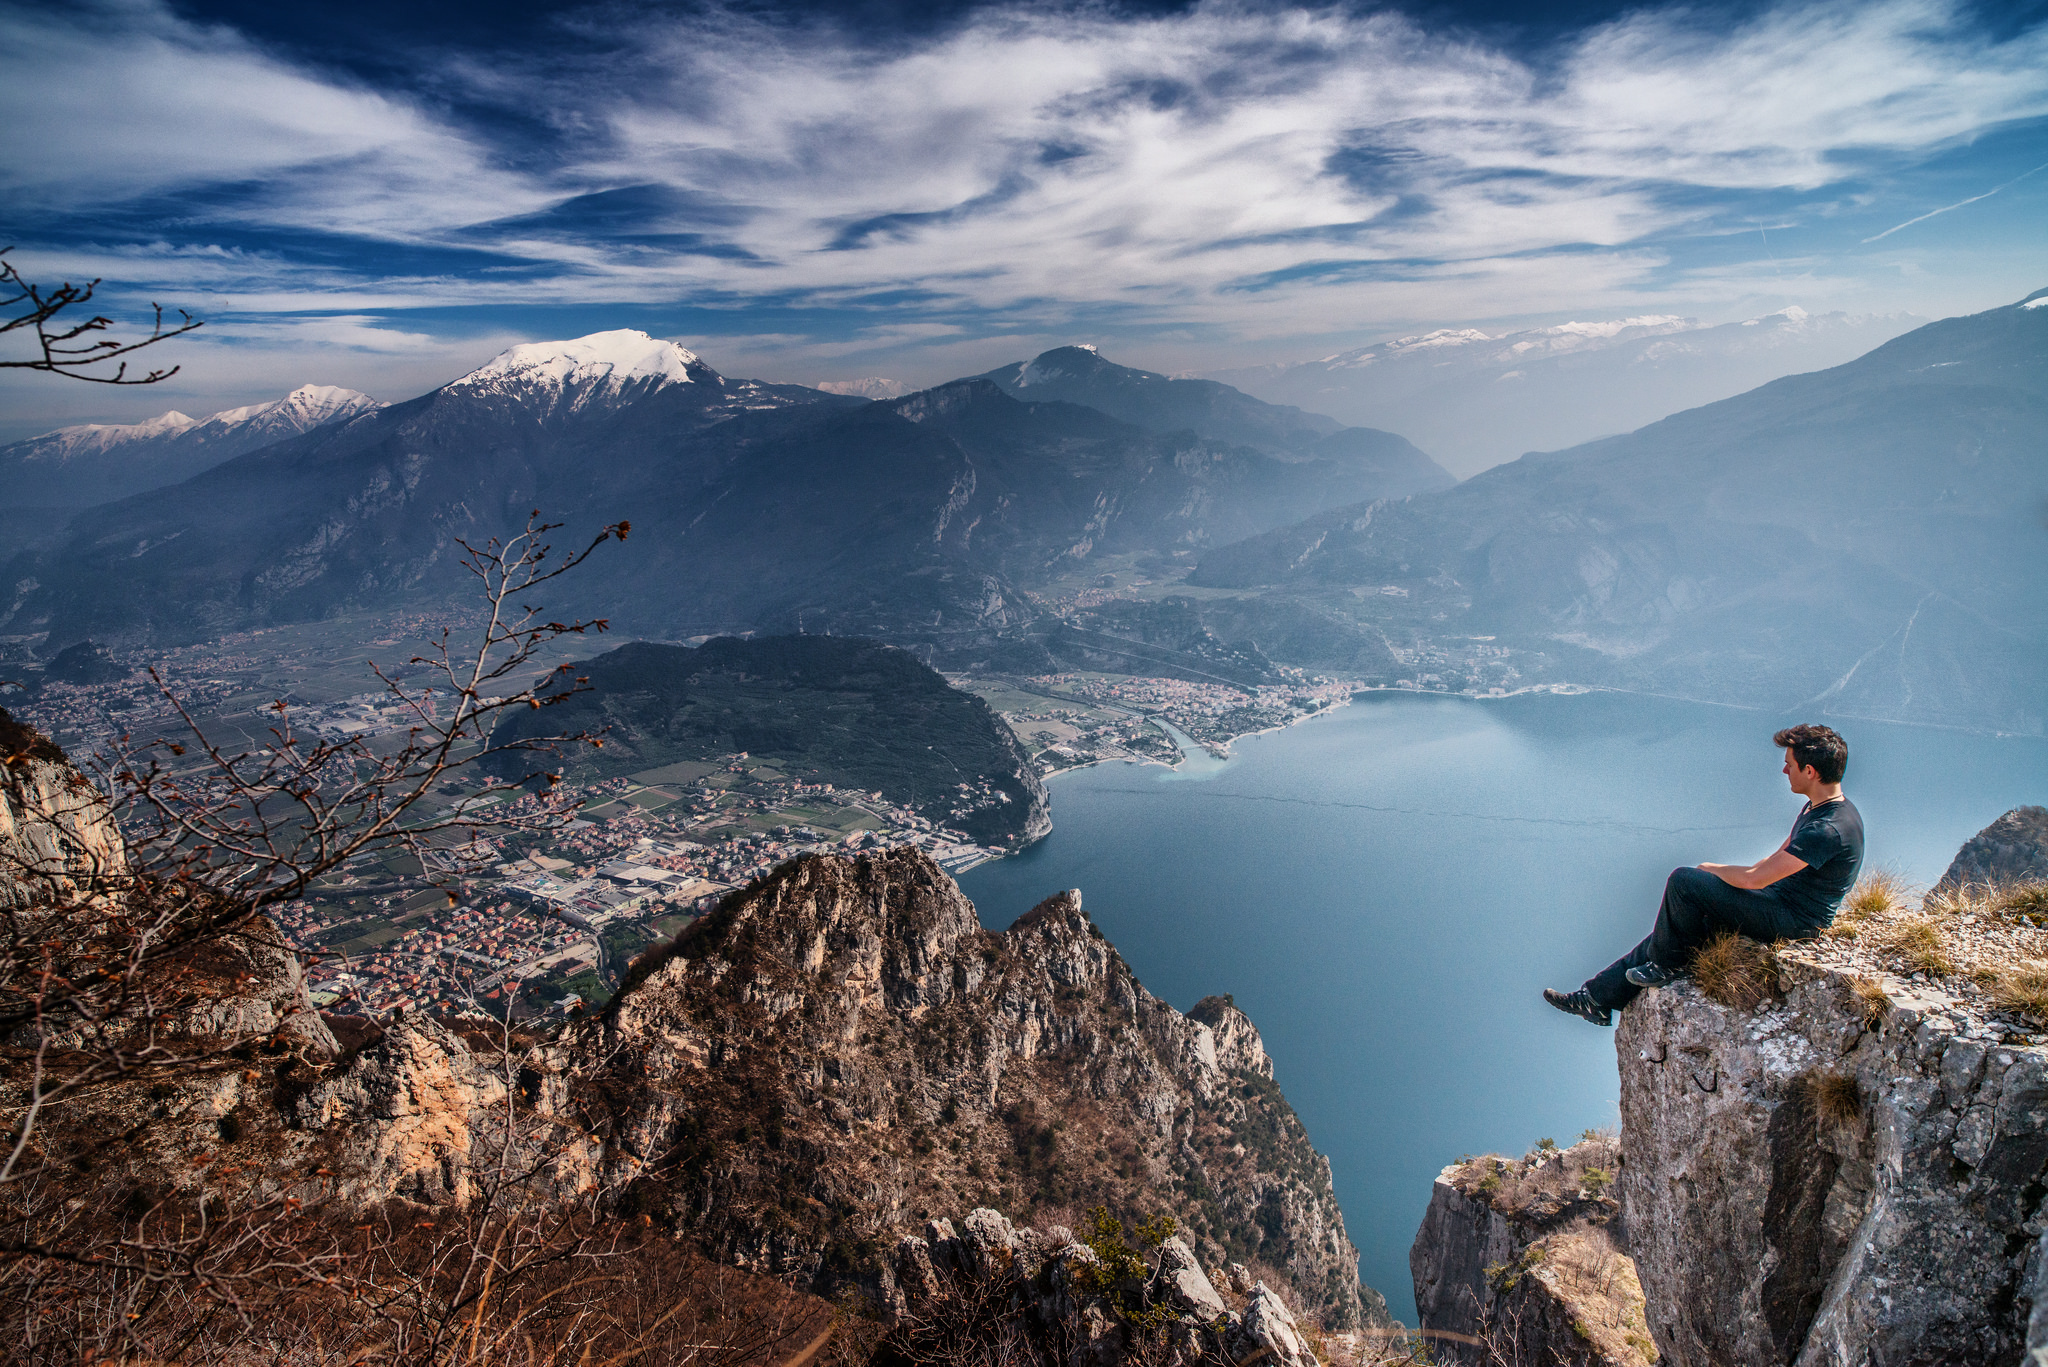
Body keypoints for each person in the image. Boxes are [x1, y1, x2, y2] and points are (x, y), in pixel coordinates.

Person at [1544, 723, 1864, 1027]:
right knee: (1682, 922)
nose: (1784, 770)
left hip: (1796, 921)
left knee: (1685, 881)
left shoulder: (1827, 829)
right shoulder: (1821, 808)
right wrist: (1726, 884)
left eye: (1790, 764)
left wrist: (1710, 870)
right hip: (1780, 901)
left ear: (1810, 771)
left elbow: (1756, 879)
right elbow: (1777, 858)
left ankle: (1664, 966)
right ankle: (1596, 997)